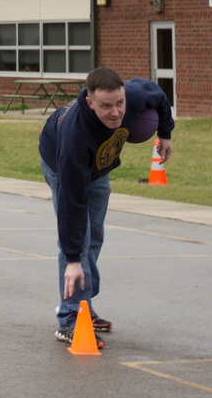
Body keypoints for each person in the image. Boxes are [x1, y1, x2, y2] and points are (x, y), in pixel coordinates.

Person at [38, 66, 174, 346]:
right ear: (90, 102)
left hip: (98, 170)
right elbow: (70, 207)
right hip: (62, 166)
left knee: (95, 236)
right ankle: (70, 317)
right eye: (106, 106)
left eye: (119, 103)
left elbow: (158, 95)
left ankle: (84, 303)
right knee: (78, 242)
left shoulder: (133, 97)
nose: (115, 112)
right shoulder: (75, 138)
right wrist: (74, 259)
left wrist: (166, 132)